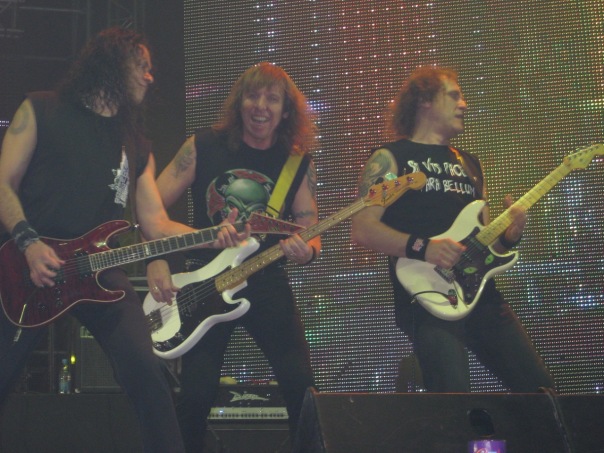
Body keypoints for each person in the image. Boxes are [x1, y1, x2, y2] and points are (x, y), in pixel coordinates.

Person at [0, 27, 247, 453]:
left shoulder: (135, 143)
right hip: (29, 264)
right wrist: (28, 241)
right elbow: (4, 182)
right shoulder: (40, 108)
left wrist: (214, 238)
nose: (150, 76)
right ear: (112, 62)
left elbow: (155, 223)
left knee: (147, 373)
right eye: (142, 66)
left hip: (99, 270)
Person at [146, 61, 320, 451]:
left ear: (285, 111)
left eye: (272, 99)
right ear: (239, 102)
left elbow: (310, 228)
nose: (261, 106)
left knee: (302, 387)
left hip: (267, 282)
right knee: (195, 395)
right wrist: (155, 260)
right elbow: (149, 207)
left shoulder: (296, 161)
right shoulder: (202, 146)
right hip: (205, 283)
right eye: (253, 96)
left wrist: (305, 251)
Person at [351, 66, 555, 393]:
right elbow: (362, 228)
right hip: (427, 298)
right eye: (454, 96)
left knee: (542, 392)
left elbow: (485, 249)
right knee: (453, 398)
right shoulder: (392, 159)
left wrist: (509, 236)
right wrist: (424, 247)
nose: (464, 104)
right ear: (425, 101)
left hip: (482, 298)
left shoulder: (470, 165)